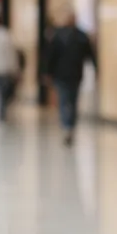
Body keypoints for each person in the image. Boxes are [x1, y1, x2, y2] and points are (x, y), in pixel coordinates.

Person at [41, 9, 97, 146]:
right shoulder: (74, 36)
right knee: (68, 100)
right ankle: (68, 126)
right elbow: (51, 56)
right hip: (68, 75)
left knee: (68, 101)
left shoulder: (67, 36)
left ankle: (68, 126)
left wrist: (47, 72)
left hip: (70, 75)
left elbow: (90, 55)